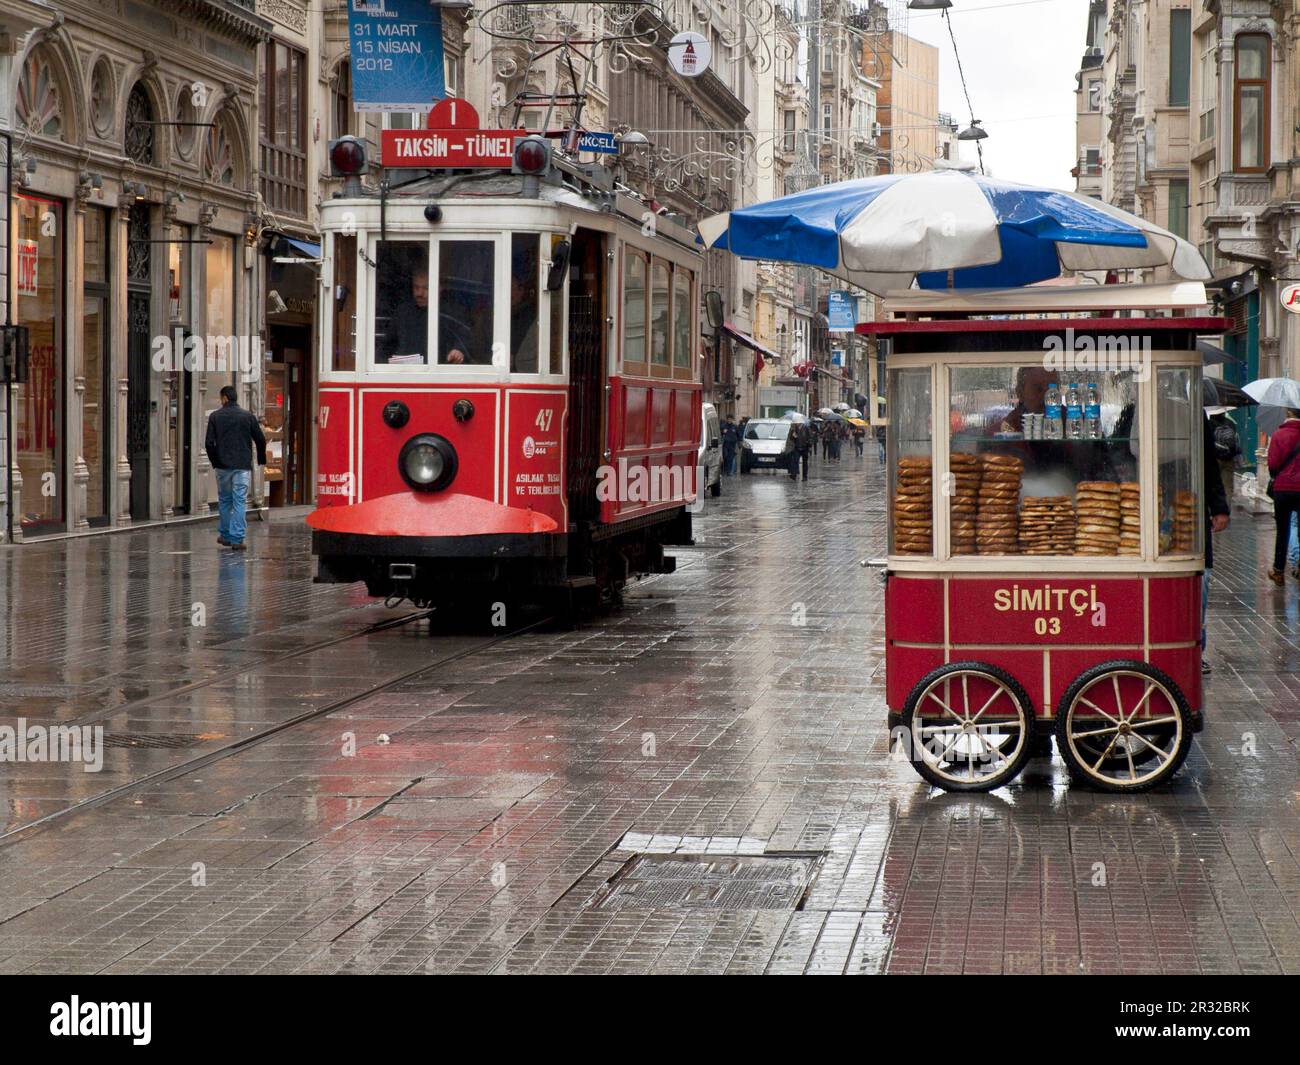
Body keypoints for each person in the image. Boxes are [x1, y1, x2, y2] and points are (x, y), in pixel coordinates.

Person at [205, 385, 267, 552]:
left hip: (222, 466)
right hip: (242, 466)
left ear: (224, 398)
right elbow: (260, 439)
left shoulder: (215, 417)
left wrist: (215, 461)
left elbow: (209, 443)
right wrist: (261, 458)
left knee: (225, 500)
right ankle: (237, 538)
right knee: (239, 500)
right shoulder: (247, 416)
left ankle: (225, 535)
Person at [1200, 414, 1231, 672]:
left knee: (1201, 580)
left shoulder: (1194, 415)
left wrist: (1219, 507)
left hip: (1192, 511)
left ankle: (1197, 647)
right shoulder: (1135, 410)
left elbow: (1209, 465)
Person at [1266, 407, 1300, 585]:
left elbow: (1272, 464)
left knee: (1283, 530)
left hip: (1283, 488)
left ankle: (1278, 571)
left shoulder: (1279, 435)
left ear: (1288, 413)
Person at [1000, 366, 1059, 432]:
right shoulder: (1007, 428)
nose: (1046, 397)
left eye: (1052, 390)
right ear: (1020, 393)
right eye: (1038, 389)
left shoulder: (1068, 419)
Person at [1209, 410, 1240, 501]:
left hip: (1214, 459)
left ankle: (1215, 511)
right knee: (1228, 487)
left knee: (1213, 486)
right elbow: (1234, 443)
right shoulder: (1231, 423)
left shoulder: (1209, 424)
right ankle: (1226, 511)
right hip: (1228, 459)